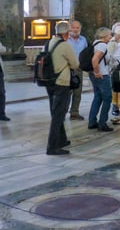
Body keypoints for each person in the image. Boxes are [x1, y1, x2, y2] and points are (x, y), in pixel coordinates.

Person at [45, 20, 79, 155]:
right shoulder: (64, 45)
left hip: (49, 82)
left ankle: (62, 139)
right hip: (61, 82)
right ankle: (52, 147)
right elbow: (75, 64)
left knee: (56, 112)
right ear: (66, 33)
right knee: (58, 114)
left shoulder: (48, 43)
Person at [86, 27, 114, 132]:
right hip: (102, 75)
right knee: (107, 98)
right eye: (109, 35)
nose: (111, 37)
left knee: (97, 97)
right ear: (104, 36)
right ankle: (102, 123)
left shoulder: (95, 43)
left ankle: (92, 121)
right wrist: (97, 72)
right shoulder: (102, 45)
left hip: (93, 75)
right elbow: (95, 59)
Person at [66, 20, 87, 120]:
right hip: (67, 69)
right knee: (67, 92)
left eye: (77, 28)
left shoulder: (83, 40)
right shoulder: (65, 40)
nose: (75, 30)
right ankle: (62, 112)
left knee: (77, 92)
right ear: (69, 28)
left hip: (78, 68)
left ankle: (74, 112)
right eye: (73, 27)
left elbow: (86, 53)